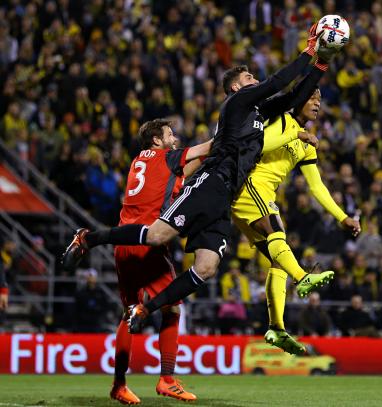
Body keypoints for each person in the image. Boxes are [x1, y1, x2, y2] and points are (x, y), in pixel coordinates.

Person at [61, 26, 327, 332]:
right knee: (157, 236)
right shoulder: (237, 105)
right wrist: (309, 50)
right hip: (210, 183)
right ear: (236, 88)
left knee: (207, 267)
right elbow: (278, 82)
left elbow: (294, 95)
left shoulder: (257, 111)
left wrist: (321, 65)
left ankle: (146, 309)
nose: (254, 80)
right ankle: (88, 238)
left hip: (226, 196)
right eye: (248, 78)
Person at [232, 87, 360, 354]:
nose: (317, 104)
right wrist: (296, 133)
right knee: (278, 232)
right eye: (312, 99)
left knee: (277, 258)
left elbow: (317, 187)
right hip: (249, 186)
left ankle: (276, 328)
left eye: (320, 100)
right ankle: (302, 277)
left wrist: (342, 217)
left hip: (264, 194)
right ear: (299, 101)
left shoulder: (306, 145)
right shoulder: (281, 119)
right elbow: (259, 144)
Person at [111, 119, 211, 404]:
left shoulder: (139, 163)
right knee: (173, 309)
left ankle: (119, 384)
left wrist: (202, 159)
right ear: (157, 140)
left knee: (129, 311)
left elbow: (182, 172)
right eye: (170, 134)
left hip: (123, 241)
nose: (175, 138)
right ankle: (167, 379)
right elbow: (209, 146)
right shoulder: (167, 157)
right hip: (149, 242)